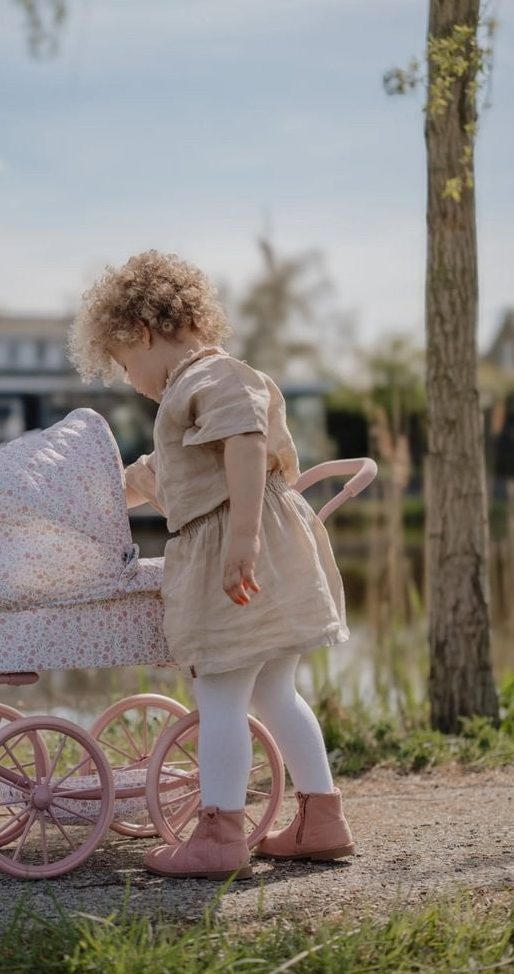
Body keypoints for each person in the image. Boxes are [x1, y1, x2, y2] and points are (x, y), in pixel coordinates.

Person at [69, 250, 354, 880]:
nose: (130, 379)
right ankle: (321, 818)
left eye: (124, 364)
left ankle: (221, 836)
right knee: (277, 691)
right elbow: (153, 477)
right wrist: (84, 505)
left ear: (141, 334)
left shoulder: (209, 379)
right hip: (260, 554)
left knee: (221, 694)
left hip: (243, 555)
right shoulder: (189, 401)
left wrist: (242, 541)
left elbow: (248, 447)